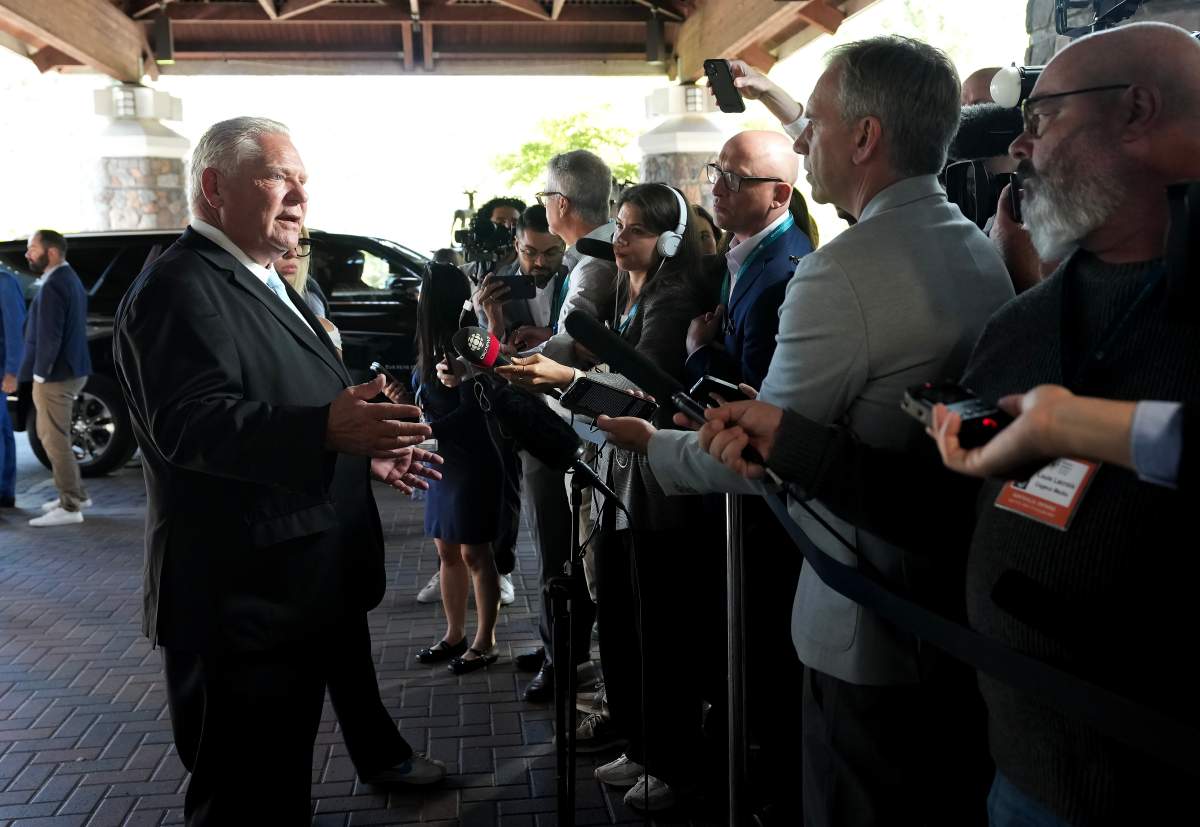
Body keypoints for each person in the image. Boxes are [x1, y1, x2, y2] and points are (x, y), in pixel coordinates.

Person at [692, 22, 1200, 825]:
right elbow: (939, 506)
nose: (1021, 149)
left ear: (1137, 112)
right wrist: (795, 444)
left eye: (1044, 118)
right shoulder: (1026, 321)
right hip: (1019, 763)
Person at [600, 37, 1014, 825]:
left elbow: (758, 455)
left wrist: (650, 446)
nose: (800, 141)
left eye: (812, 124)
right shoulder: (973, 244)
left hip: (866, 624)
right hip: (943, 610)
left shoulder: (840, 272)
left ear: (864, 137)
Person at [113, 116, 444, 825]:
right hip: (239, 606)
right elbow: (189, 423)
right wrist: (324, 428)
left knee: (280, 792)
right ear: (213, 187)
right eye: (277, 177)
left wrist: (363, 446)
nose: (298, 196)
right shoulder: (179, 285)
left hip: (292, 591)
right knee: (244, 801)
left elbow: (283, 395)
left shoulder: (262, 277)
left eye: (303, 181)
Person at [500, 183, 717, 812]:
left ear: (670, 239)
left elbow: (643, 390)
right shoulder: (631, 288)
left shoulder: (673, 296)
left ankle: (672, 761)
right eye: (617, 228)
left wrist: (564, 378)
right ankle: (646, 744)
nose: (618, 241)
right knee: (622, 618)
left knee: (658, 627)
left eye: (633, 230)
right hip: (621, 476)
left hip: (656, 486)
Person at [510, 149, 618, 704]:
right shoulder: (595, 255)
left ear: (559, 203)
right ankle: (561, 647)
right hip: (588, 424)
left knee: (564, 557)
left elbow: (579, 344)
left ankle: (567, 659)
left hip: (580, 430)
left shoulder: (596, 262)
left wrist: (511, 359)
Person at [412, 263, 507, 675]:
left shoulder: (470, 338)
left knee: (475, 552)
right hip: (443, 458)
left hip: (472, 457)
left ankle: (486, 640)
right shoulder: (429, 344)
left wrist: (428, 428)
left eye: (422, 292)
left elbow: (476, 409)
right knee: (446, 549)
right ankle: (455, 634)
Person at [686, 130, 813, 392]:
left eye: (733, 179)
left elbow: (748, 397)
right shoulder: (744, 249)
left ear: (778, 194)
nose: (717, 189)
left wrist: (697, 350)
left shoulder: (779, 283)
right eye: (718, 172)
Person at [20, 230, 93, 527]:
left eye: (32, 248)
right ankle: (77, 494)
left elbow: (51, 335)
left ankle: (70, 505)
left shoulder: (55, 285)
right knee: (53, 437)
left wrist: (40, 373)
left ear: (51, 252)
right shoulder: (68, 277)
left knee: (54, 441)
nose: (27, 253)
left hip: (55, 376)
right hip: (70, 371)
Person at [0, 263, 25, 509]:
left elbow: (16, 329)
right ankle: (5, 492)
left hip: (1, 370)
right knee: (4, 431)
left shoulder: (4, 282)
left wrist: (12, 371)